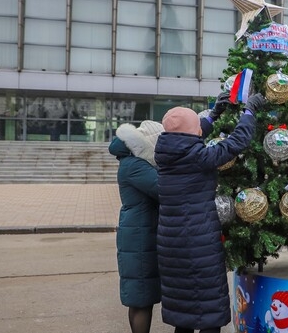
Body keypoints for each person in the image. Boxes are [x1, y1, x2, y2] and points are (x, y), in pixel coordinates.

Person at [154, 92, 267, 333]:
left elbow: (189, 137)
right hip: (198, 244)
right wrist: (249, 111)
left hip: (170, 245)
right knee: (208, 312)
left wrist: (214, 115)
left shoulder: (166, 155)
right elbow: (237, 142)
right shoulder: (199, 157)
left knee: (183, 310)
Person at [108, 119, 166, 333]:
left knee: (140, 296)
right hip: (140, 234)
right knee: (141, 297)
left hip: (139, 230)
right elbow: (163, 189)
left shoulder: (132, 161)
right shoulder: (135, 165)